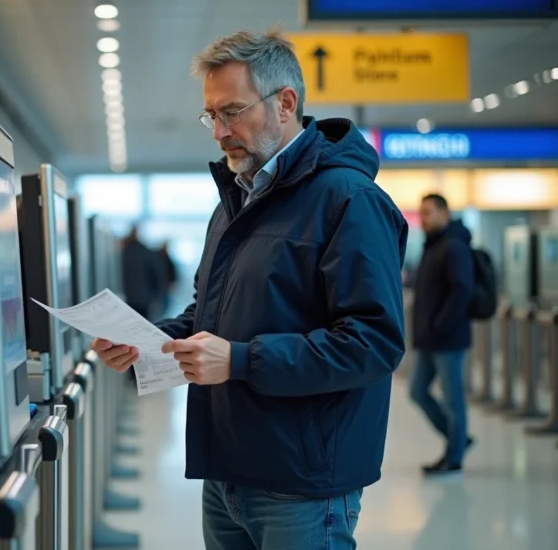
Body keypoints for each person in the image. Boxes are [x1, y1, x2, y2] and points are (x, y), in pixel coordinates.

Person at [92, 29, 408, 550]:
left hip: (301, 482)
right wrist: (147, 340)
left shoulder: (349, 200)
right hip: (227, 469)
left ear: (285, 104)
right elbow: (210, 314)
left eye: (232, 111)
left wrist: (239, 360)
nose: (219, 131)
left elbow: (373, 343)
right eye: (211, 116)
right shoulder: (236, 200)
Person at [409, 193, 474, 475]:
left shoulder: (454, 246)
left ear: (445, 214)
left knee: (452, 398)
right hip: (429, 338)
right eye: (421, 213)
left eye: (428, 213)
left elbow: (462, 290)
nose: (423, 219)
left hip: (447, 338)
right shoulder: (432, 246)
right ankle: (458, 440)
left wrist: (440, 324)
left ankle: (454, 457)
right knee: (418, 391)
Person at [121, 225, 166, 320]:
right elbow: (157, 276)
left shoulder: (123, 253)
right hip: (144, 298)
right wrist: (157, 295)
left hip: (126, 297)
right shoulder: (147, 253)